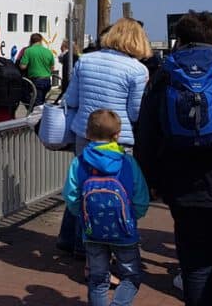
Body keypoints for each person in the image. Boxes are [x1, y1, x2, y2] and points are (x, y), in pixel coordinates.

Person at [136, 12, 212, 305]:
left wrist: (153, 183)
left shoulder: (164, 77)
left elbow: (147, 137)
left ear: (180, 40)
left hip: (185, 187)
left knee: (196, 265)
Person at [56, 18, 150, 256]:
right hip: (119, 139)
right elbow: (135, 112)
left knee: (84, 187)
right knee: (118, 190)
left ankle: (79, 244)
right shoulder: (138, 70)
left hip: (85, 134)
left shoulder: (85, 60)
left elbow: (71, 99)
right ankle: (115, 244)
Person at [63, 109, 149, 306]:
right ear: (117, 135)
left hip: (92, 231)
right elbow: (141, 196)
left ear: (87, 133)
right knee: (131, 276)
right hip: (124, 231)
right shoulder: (127, 162)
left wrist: (83, 216)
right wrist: (133, 216)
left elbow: (71, 195)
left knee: (97, 278)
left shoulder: (80, 162)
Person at [19, 33, 56, 108]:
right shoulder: (48, 51)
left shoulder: (28, 51)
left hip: (36, 81)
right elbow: (52, 68)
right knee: (42, 101)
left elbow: (23, 66)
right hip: (47, 81)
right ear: (41, 40)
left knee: (37, 104)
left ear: (31, 40)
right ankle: (42, 117)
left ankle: (39, 118)